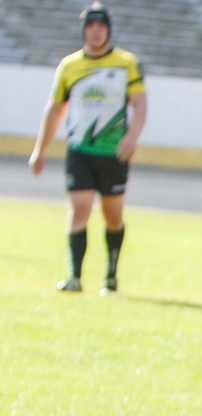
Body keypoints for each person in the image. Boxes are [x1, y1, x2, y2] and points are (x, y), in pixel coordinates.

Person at [28, 3, 146, 296]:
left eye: (101, 26)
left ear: (108, 29)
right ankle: (74, 276)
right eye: (90, 26)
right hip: (80, 150)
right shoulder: (70, 66)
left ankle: (111, 276)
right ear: (84, 30)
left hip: (113, 152)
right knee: (79, 209)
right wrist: (40, 149)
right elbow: (55, 109)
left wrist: (132, 136)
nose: (96, 31)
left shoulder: (126, 63)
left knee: (112, 215)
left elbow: (140, 103)